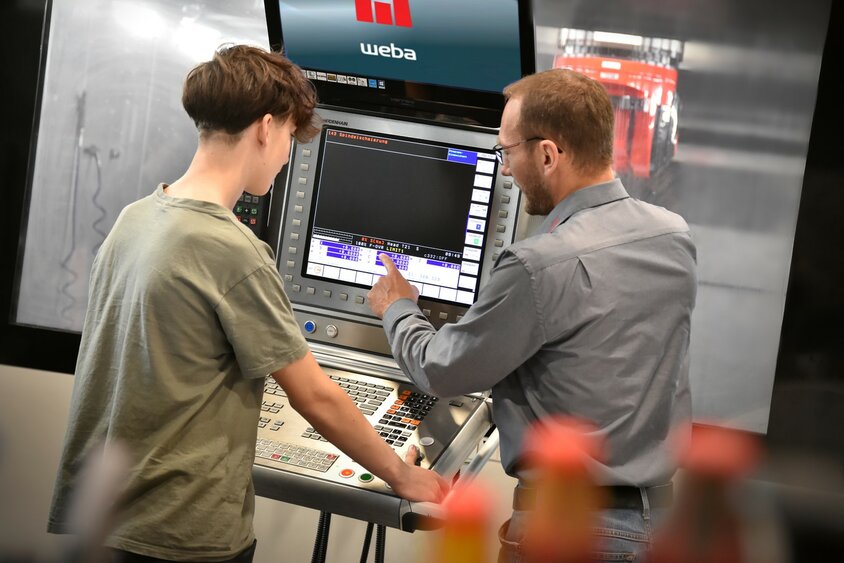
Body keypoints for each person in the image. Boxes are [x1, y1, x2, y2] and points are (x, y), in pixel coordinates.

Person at [47, 44, 448, 563]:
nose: (286, 156)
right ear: (264, 128)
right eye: (287, 137)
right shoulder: (232, 250)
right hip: (180, 533)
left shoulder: (137, 217)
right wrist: (401, 473)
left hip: (102, 519)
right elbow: (315, 397)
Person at [367, 68, 697, 561]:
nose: (503, 168)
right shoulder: (673, 237)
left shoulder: (538, 265)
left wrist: (398, 308)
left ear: (547, 154)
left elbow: (442, 369)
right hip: (661, 528)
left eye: (507, 151)